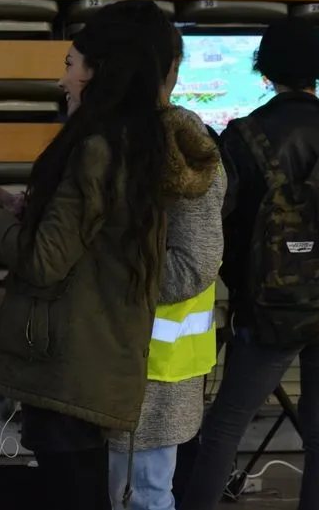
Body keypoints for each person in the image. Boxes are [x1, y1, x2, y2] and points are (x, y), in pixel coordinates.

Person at [0, 0, 173, 510]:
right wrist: (27, 209)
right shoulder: (137, 141)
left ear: (100, 71)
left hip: (69, 364)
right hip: (94, 357)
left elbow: (44, 261)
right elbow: (93, 238)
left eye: (70, 65)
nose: (63, 80)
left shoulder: (97, 147)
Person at [180, 17, 319, 510]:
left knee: (225, 426)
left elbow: (216, 225)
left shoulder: (240, 137)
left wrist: (246, 281)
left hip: (265, 311)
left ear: (264, 68)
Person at [108, 25, 226, 510]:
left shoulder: (175, 143)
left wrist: (102, 274)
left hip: (155, 364)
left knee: (144, 494)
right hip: (126, 357)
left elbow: (193, 265)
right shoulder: (116, 137)